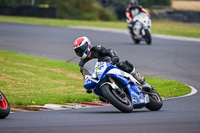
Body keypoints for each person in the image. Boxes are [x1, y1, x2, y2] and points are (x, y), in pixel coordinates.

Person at [73, 36, 145, 94]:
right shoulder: (81, 64)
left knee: (124, 65)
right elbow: (86, 76)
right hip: (100, 76)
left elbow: (110, 51)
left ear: (87, 45)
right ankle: (115, 96)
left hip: (110, 65)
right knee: (99, 94)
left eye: (81, 49)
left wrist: (114, 57)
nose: (80, 52)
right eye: (77, 51)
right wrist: (89, 87)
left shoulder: (97, 49)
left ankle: (139, 79)